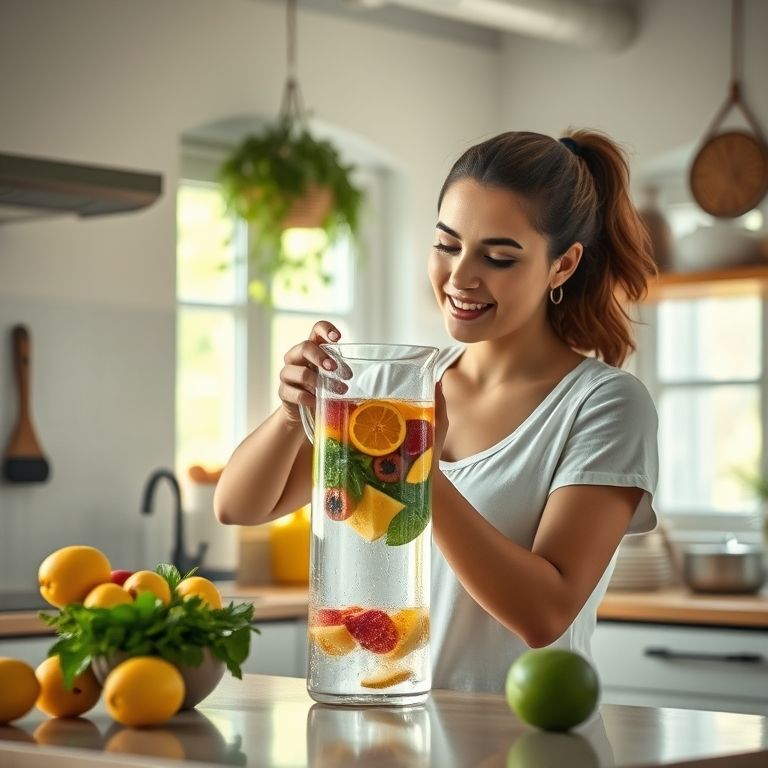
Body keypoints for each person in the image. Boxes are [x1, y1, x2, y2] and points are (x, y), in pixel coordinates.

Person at [214, 128, 660, 693]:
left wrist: (420, 466)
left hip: (521, 732)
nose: (460, 277)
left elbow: (545, 613)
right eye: (447, 246)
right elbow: (239, 505)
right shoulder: (395, 386)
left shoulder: (604, 404)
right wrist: (290, 412)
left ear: (563, 265)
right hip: (381, 723)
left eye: (498, 257)